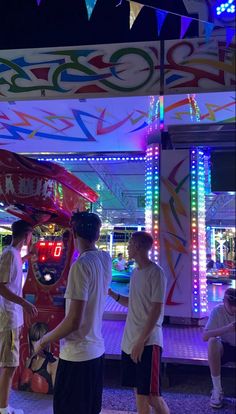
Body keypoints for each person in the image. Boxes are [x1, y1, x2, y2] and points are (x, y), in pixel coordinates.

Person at [35, 211, 112, 414]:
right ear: (97, 234)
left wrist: (43, 340)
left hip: (77, 356)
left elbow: (74, 321)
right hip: (97, 352)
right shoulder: (105, 259)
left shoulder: (80, 266)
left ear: (73, 233)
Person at [109, 231, 170, 414]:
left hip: (148, 342)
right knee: (138, 390)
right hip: (130, 340)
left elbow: (156, 310)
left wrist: (140, 341)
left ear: (137, 246)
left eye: (129, 244)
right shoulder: (135, 273)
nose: (127, 247)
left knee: (151, 395)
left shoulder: (156, 273)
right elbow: (133, 302)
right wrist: (112, 294)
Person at [0, 220, 38, 414]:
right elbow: (1, 286)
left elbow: (12, 271)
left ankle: (4, 406)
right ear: (26, 236)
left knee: (10, 363)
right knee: (9, 365)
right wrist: (24, 303)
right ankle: (4, 409)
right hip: (8, 318)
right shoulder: (8, 254)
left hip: (13, 317)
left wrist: (27, 257)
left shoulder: (14, 254)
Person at [203, 288, 236, 409]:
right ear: (224, 302)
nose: (234, 309)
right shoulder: (217, 311)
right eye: (231, 306)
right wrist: (227, 328)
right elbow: (205, 336)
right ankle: (217, 390)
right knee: (212, 341)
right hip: (226, 347)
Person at [20, 322, 58, 394]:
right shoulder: (29, 361)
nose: (36, 344)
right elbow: (22, 390)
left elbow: (57, 395)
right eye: (34, 340)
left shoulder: (53, 364)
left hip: (45, 404)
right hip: (27, 403)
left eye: (40, 341)